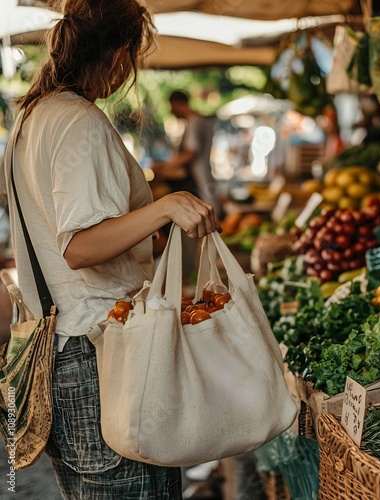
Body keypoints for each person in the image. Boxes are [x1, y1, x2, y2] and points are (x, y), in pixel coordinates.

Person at [0, 0, 220, 498]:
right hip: (99, 356)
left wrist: (139, 229)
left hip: (57, 352)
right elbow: (78, 246)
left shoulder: (31, 120)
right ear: (121, 53)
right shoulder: (78, 121)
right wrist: (165, 208)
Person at [152, 90, 223, 218]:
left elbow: (191, 153)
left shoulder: (195, 122)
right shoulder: (201, 121)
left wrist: (165, 167)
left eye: (171, 106)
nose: (171, 111)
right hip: (204, 178)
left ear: (177, 103)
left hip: (198, 182)